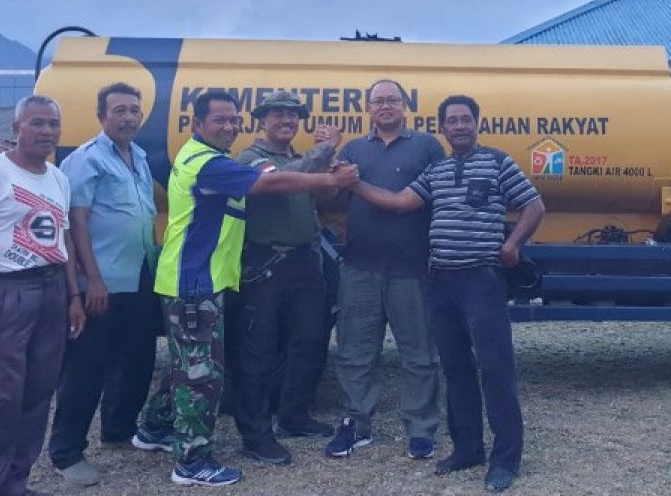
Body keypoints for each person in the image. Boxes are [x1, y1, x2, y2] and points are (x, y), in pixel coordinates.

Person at [132, 90, 358, 487]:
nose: (228, 126)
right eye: (220, 120)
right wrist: (326, 166)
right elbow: (269, 185)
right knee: (203, 372)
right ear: (198, 124)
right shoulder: (217, 163)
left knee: (190, 363)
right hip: (196, 279)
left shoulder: (211, 158)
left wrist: (327, 173)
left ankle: (152, 429)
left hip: (213, 277)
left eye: (231, 120)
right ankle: (192, 461)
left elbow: (311, 191)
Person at [353, 94, 545, 493]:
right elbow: (400, 202)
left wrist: (512, 246)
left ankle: (505, 459)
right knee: (455, 368)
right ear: (443, 128)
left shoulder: (497, 163)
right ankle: (468, 449)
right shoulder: (436, 170)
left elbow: (534, 205)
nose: (459, 126)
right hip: (440, 281)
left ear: (477, 123)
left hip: (482, 280)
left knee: (495, 369)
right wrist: (355, 183)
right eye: (451, 121)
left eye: (465, 119)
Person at [0, 94, 87, 496]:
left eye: (52, 124)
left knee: (36, 395)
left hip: (51, 289)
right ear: (16, 128)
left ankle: (15, 483)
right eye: (37, 123)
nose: (46, 131)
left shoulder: (58, 177)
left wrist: (73, 295)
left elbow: (63, 237)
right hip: (8, 290)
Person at [47, 83, 161, 486]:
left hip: (139, 274)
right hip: (103, 280)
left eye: (134, 110)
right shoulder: (86, 160)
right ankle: (66, 452)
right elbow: (76, 222)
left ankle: (118, 428)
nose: (128, 117)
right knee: (86, 367)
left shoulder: (139, 156)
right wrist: (90, 281)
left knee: (136, 358)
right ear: (101, 116)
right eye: (119, 110)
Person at [326, 79, 445, 461]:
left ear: (405, 105)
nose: (386, 106)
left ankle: (422, 429)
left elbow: (432, 200)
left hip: (412, 267)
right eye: (378, 101)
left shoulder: (427, 146)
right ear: (369, 108)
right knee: (355, 351)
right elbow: (331, 197)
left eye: (392, 99)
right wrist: (325, 159)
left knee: (420, 353)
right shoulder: (353, 149)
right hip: (360, 265)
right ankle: (355, 423)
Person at [229, 90, 342, 465]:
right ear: (262, 120)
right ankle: (256, 435)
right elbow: (280, 183)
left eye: (292, 116)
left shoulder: (299, 159)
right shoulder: (252, 158)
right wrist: (325, 153)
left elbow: (317, 199)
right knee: (258, 352)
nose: (286, 121)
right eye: (277, 115)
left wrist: (336, 179)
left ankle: (294, 416)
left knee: (309, 342)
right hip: (266, 265)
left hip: (304, 262)